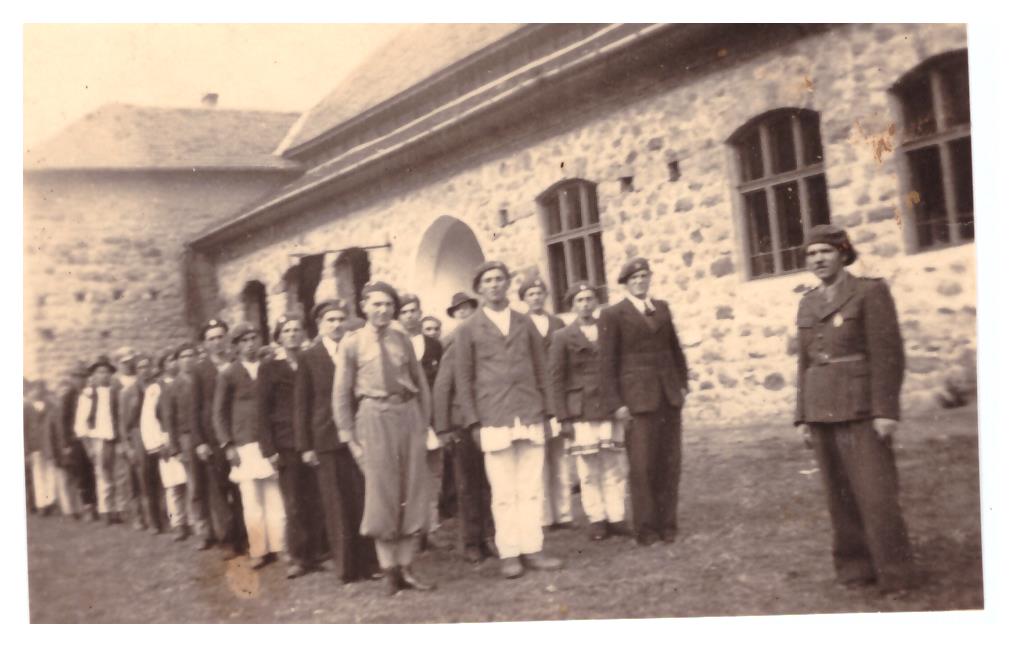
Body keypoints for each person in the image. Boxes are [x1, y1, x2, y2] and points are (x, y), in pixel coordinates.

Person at [794, 224, 916, 596]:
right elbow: (804, 363)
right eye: (812, 254)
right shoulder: (807, 301)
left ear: (843, 253)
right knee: (839, 496)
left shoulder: (869, 291)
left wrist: (886, 410)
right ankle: (855, 569)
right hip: (820, 408)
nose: (818, 259)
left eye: (825, 251)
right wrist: (802, 415)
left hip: (861, 407)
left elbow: (888, 354)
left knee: (876, 494)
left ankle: (896, 574)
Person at [454, 260, 563, 579]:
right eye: (488, 280)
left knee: (530, 486)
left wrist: (549, 411)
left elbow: (542, 368)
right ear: (479, 288)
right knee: (503, 491)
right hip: (494, 416)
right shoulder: (468, 328)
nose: (495, 285)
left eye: (500, 279)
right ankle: (510, 553)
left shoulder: (524, 322)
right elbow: (463, 379)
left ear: (507, 284)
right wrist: (473, 422)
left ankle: (533, 548)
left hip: (529, 411)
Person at [334, 282, 435, 595]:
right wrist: (350, 439)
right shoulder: (352, 343)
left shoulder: (401, 338)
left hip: (407, 414)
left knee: (411, 491)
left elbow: (420, 382)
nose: (383, 310)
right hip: (374, 417)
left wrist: (423, 424)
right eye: (376, 304)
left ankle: (407, 568)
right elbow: (341, 394)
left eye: (388, 305)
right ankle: (389, 571)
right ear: (364, 306)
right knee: (382, 495)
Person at [599, 257, 688, 546]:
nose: (640, 281)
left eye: (644, 276)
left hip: (668, 397)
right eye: (634, 278)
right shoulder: (613, 315)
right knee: (642, 466)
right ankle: (646, 528)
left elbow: (675, 349)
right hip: (636, 401)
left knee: (669, 463)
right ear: (625, 284)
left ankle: (668, 524)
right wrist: (616, 404)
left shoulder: (661, 308)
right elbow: (607, 363)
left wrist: (682, 384)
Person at [295, 300, 379, 583]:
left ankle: (370, 563)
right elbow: (302, 404)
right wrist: (306, 446)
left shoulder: (355, 349)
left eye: (340, 319)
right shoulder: (309, 357)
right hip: (326, 438)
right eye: (330, 320)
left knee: (361, 499)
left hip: (358, 434)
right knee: (336, 504)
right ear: (319, 324)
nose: (336, 325)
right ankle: (346, 567)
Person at [549, 282, 629, 541]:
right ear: (572, 305)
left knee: (613, 465)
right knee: (588, 469)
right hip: (581, 410)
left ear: (596, 302)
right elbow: (556, 379)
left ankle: (616, 516)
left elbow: (618, 367)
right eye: (580, 300)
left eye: (589, 299)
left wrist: (621, 402)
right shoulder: (563, 336)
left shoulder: (608, 330)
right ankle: (597, 519)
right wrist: (563, 417)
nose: (585, 304)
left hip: (607, 406)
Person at [256, 313, 326, 579]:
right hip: (286, 442)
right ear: (278, 337)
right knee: (294, 501)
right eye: (287, 330)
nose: (293, 334)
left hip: (314, 438)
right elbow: (262, 411)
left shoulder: (311, 360)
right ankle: (298, 556)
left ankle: (317, 552)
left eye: (297, 329)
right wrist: (269, 449)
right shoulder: (270, 367)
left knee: (315, 497)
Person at [214, 323, 286, 569]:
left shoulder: (269, 368)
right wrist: (228, 444)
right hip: (244, 442)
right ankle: (258, 548)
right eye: (244, 341)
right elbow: (219, 412)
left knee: (274, 495)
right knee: (251, 498)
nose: (250, 344)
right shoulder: (229, 373)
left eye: (254, 338)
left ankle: (279, 545)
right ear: (236, 346)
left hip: (270, 440)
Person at [433, 291, 495, 563]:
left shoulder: (484, 339)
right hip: (462, 423)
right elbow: (442, 387)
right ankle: (471, 541)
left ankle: (489, 537)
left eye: (468, 308)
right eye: (459, 310)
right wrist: (443, 427)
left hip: (489, 417)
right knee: (468, 484)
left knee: (490, 482)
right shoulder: (454, 344)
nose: (464, 313)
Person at [397, 293, 451, 551]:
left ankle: (432, 528)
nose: (410, 316)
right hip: (405, 419)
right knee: (409, 476)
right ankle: (413, 530)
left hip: (431, 418)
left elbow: (442, 382)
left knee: (433, 474)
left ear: (420, 313)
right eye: (404, 311)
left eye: (413, 311)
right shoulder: (394, 344)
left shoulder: (433, 345)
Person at [518, 276, 572, 531]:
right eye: (531, 294)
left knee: (559, 457)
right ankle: (544, 516)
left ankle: (564, 513)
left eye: (540, 293)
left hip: (557, 394)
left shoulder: (557, 323)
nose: (536, 298)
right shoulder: (520, 324)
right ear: (524, 299)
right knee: (537, 459)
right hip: (534, 395)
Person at [192, 319, 246, 555]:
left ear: (227, 338)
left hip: (239, 433)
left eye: (220, 336)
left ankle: (245, 536)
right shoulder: (199, 370)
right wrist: (200, 442)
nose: (217, 342)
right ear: (205, 344)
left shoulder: (237, 362)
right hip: (213, 439)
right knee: (218, 491)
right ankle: (228, 540)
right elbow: (194, 408)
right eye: (211, 338)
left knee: (242, 487)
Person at [72, 355, 123, 524]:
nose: (103, 375)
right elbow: (81, 424)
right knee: (103, 476)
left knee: (118, 475)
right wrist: (89, 447)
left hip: (114, 438)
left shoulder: (116, 392)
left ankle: (118, 509)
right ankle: (106, 510)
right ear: (93, 375)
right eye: (100, 372)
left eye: (106, 372)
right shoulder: (88, 395)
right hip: (98, 439)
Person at [119, 353, 166, 534]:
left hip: (158, 434)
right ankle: (152, 521)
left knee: (162, 476)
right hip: (138, 438)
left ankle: (167, 517)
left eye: (147, 366)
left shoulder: (158, 387)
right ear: (136, 370)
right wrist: (128, 446)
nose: (144, 370)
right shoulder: (128, 393)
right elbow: (123, 423)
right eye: (140, 367)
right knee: (144, 480)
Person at [156, 347, 191, 540]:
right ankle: (177, 522)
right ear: (162, 365)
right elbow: (152, 418)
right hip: (167, 438)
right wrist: (162, 442)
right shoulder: (157, 387)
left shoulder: (186, 381)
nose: (173, 363)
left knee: (188, 480)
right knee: (173, 485)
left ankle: (191, 520)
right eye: (169, 360)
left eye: (174, 359)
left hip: (184, 436)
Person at [59, 361, 96, 520]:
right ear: (72, 379)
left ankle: (96, 504)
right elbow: (64, 421)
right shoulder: (68, 396)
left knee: (93, 471)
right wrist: (67, 443)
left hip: (92, 437)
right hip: (76, 441)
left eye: (83, 377)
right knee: (82, 473)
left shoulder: (91, 393)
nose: (80, 380)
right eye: (77, 377)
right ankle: (87, 506)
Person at [24, 380, 57, 516]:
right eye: (36, 389)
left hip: (48, 444)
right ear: (31, 390)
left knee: (50, 473)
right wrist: (26, 449)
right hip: (35, 445)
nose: (38, 392)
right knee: (38, 475)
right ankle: (42, 504)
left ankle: (50, 502)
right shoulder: (26, 407)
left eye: (41, 389)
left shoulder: (50, 405)